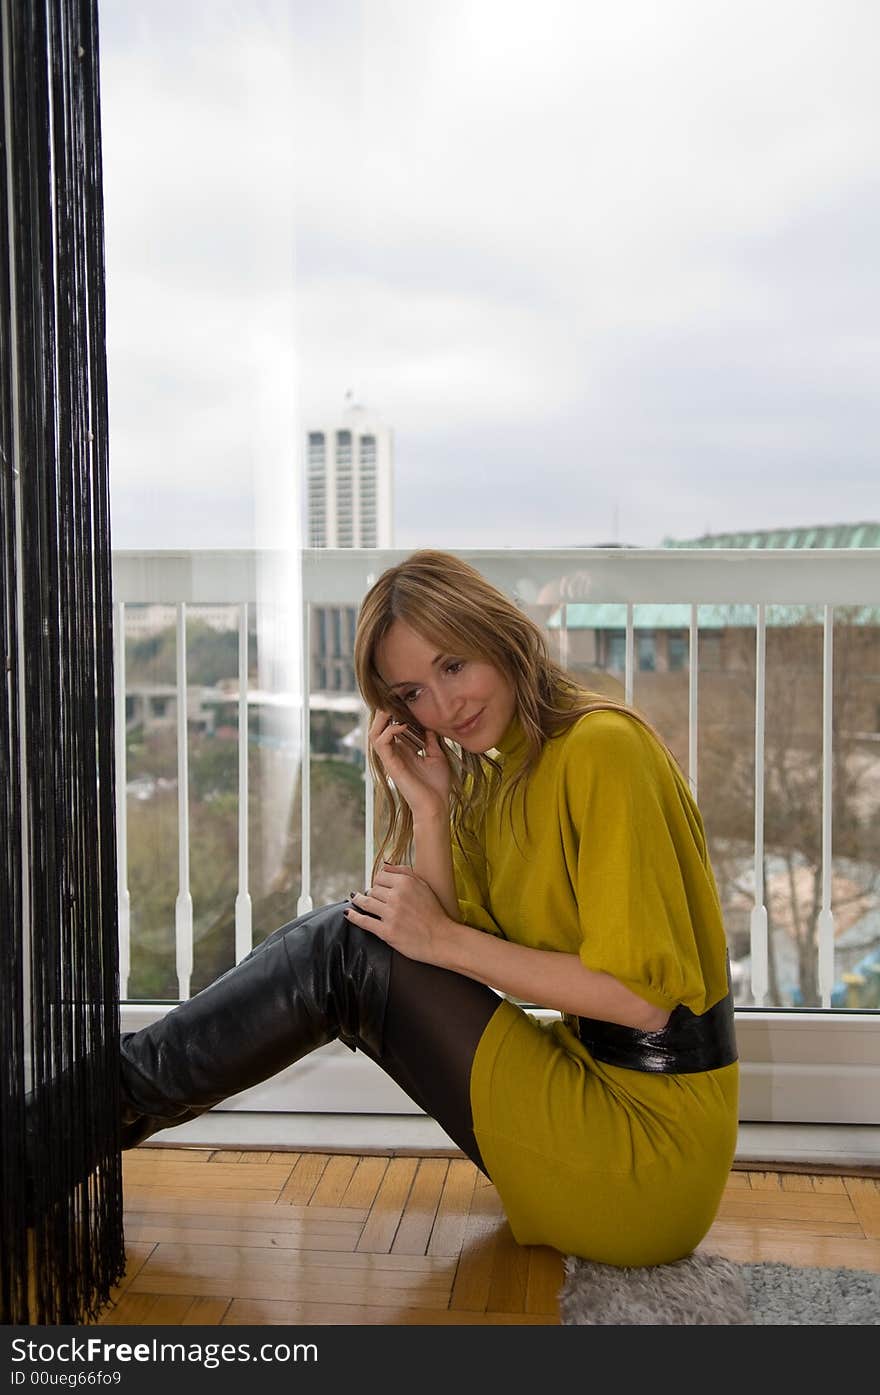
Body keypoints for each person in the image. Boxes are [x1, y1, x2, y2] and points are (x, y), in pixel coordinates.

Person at [114, 549, 738, 1268]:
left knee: (344, 952)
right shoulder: (503, 773)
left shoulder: (602, 749)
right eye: (413, 692)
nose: (443, 708)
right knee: (353, 944)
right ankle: (94, 1107)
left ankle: (91, 1108)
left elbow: (641, 1001)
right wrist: (432, 806)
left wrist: (441, 940)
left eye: (453, 666)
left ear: (498, 633)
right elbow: (433, 963)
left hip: (647, 1154)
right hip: (590, 1097)